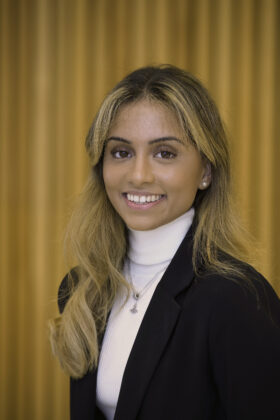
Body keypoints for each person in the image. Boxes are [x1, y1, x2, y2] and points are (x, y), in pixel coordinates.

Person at [49, 65, 280, 420]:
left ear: (206, 171)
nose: (138, 175)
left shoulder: (236, 297)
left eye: (165, 153)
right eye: (121, 153)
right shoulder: (82, 289)